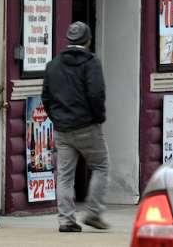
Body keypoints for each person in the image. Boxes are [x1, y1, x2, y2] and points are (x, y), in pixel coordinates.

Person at [42, 21, 110, 232]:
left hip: (63, 128)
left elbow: (46, 97)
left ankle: (66, 220)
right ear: (88, 40)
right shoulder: (91, 63)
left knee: (64, 175)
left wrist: (57, 119)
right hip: (87, 125)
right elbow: (96, 94)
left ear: (69, 40)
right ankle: (94, 212)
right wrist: (98, 117)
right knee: (100, 165)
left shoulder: (53, 65)